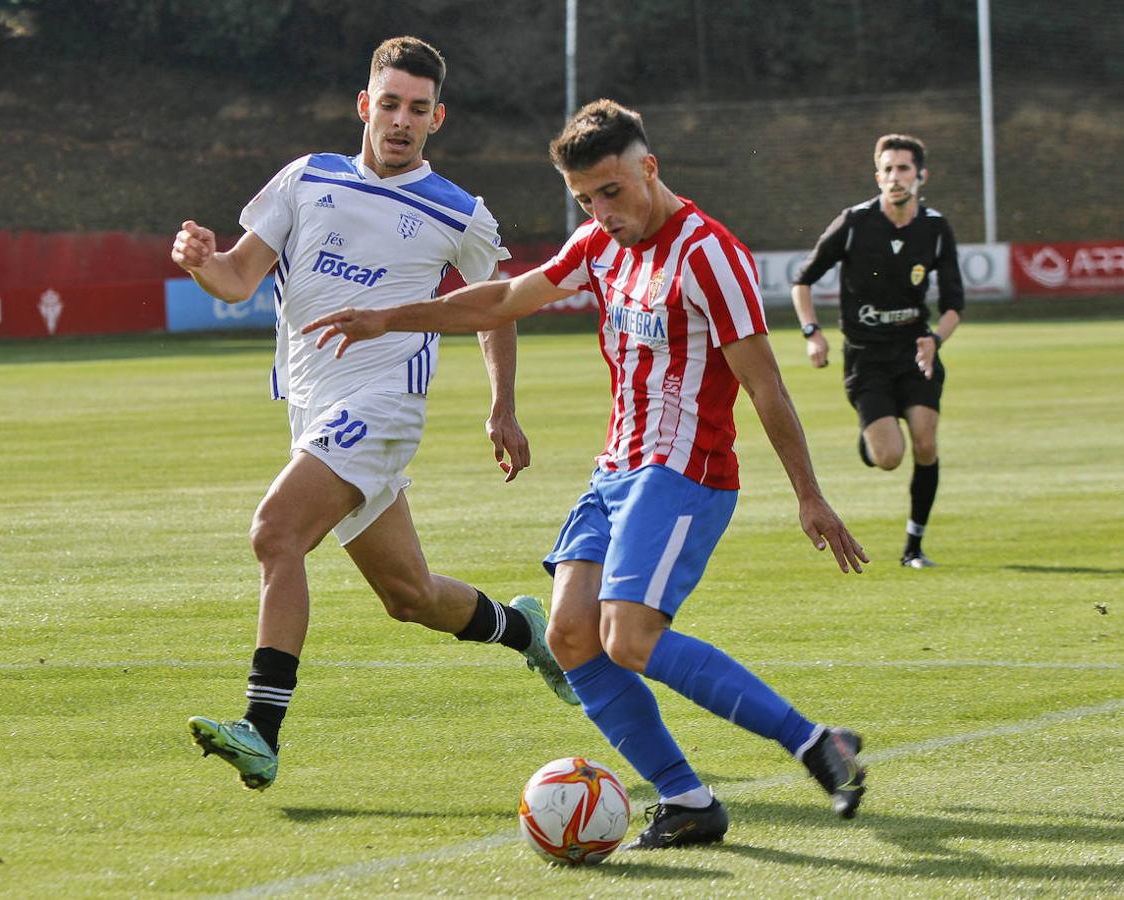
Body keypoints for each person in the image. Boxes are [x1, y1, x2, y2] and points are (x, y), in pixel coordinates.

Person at [304, 99, 871, 849]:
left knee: (629, 637)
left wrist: (809, 495)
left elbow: (765, 384)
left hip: (684, 471)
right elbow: (507, 297)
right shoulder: (595, 245)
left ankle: (813, 743)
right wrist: (388, 317)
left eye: (613, 191)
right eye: (585, 199)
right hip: (614, 471)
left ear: (649, 168)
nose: (603, 211)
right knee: (572, 636)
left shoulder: (709, 254)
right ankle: (689, 801)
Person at [171, 36, 579, 793]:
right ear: (365, 105)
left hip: (383, 409)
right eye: (388, 104)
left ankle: (261, 731)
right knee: (410, 596)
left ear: (437, 119)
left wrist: (503, 405)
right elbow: (235, 279)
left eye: (416, 110)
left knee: (275, 532)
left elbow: (499, 306)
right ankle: (529, 632)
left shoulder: (459, 211)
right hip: (314, 413)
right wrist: (200, 258)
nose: (400, 120)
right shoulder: (306, 179)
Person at [791, 134, 964, 568]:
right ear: (878, 176)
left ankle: (914, 546)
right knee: (889, 458)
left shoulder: (936, 228)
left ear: (921, 176)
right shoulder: (854, 223)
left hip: (916, 353)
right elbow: (803, 280)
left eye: (903, 168)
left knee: (925, 443)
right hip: (866, 357)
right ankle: (873, 438)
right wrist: (812, 331)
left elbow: (954, 306)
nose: (895, 177)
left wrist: (935, 339)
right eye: (887, 169)